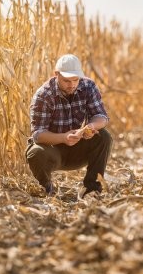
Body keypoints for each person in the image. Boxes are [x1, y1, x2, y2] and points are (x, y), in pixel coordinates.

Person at [25, 54, 112, 196]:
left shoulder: (88, 86)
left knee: (104, 136)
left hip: (77, 147)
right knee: (35, 152)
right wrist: (64, 137)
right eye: (66, 80)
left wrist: (90, 127)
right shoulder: (44, 95)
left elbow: (102, 117)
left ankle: (92, 189)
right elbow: (38, 135)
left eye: (75, 80)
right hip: (52, 150)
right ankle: (45, 189)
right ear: (56, 74)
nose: (71, 85)